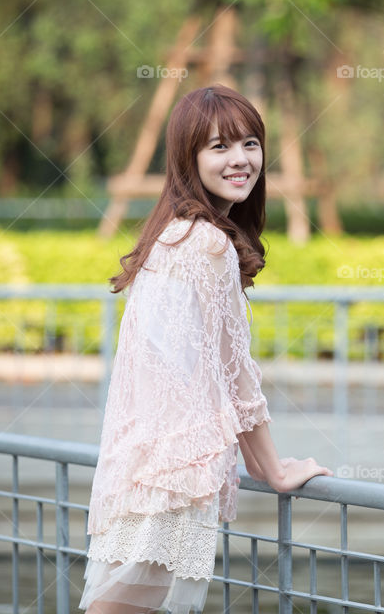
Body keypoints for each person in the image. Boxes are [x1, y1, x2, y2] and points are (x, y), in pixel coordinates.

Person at [79, 84, 333, 614]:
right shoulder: (208, 243)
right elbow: (234, 374)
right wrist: (273, 470)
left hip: (141, 469)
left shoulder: (172, 233)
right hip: (173, 477)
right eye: (219, 147)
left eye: (250, 144)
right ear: (188, 158)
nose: (240, 160)